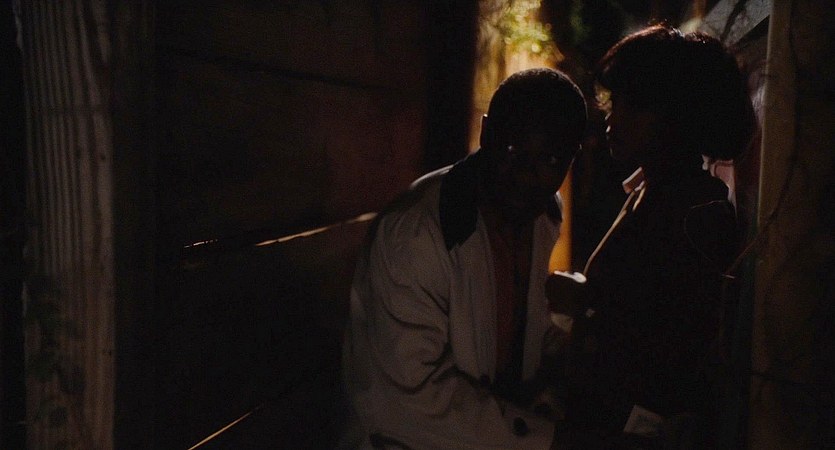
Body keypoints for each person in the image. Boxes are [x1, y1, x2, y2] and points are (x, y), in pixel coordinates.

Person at [341, 68, 587, 449]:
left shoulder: (542, 214)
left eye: (550, 160)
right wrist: (553, 440)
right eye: (512, 151)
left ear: (571, 160)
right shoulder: (417, 233)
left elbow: (515, 328)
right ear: (486, 133)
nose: (526, 175)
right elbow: (411, 402)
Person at [547, 25, 757, 447]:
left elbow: (675, 346)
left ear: (677, 115)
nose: (613, 119)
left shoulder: (695, 211)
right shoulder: (652, 189)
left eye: (635, 105)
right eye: (615, 102)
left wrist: (590, 305)